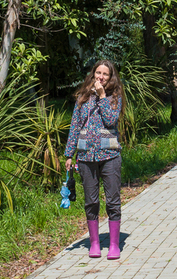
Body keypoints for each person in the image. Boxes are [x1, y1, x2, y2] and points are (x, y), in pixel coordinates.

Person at [63, 59, 124, 260]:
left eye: (105, 74)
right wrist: (69, 154)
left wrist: (102, 96)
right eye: (98, 72)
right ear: (93, 74)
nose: (101, 77)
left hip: (110, 156)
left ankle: (114, 245)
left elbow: (110, 120)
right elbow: (74, 126)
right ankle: (95, 243)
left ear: (110, 77)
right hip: (86, 156)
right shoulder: (82, 97)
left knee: (113, 200)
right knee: (91, 201)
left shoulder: (114, 96)